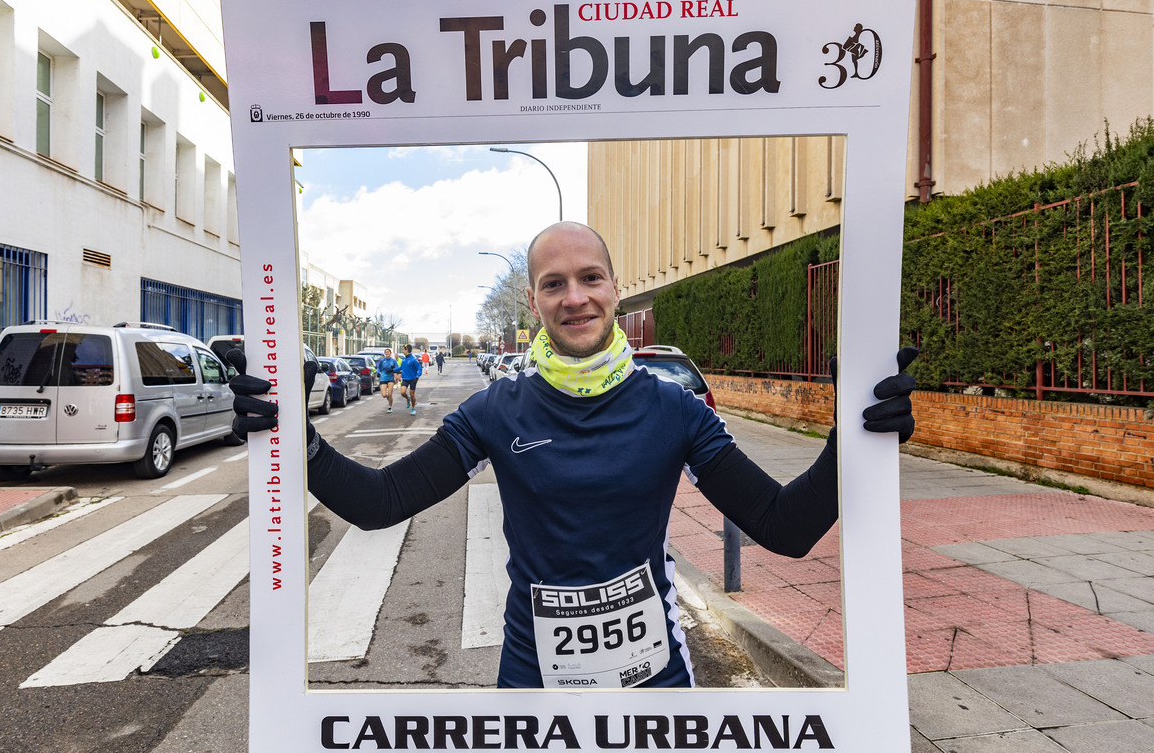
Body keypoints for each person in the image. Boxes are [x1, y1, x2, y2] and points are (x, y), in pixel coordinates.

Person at [229, 222, 917, 689]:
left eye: (590, 278)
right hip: (536, 691)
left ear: (616, 289)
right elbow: (381, 504)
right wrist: (299, 442)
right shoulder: (496, 411)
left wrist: (854, 441)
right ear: (532, 301)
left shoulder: (672, 407)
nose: (575, 296)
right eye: (554, 284)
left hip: (655, 690)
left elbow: (784, 527)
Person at [399, 344, 422, 415]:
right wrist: (392, 369)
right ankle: (407, 398)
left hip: (413, 379)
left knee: (412, 394)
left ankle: (413, 408)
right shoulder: (403, 359)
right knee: (402, 392)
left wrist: (417, 376)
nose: (402, 351)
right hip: (405, 378)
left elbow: (419, 368)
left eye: (403, 349)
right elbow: (401, 368)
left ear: (406, 350)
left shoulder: (413, 359)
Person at [375, 347, 401, 412]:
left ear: (390, 353)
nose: (387, 353)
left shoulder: (393, 361)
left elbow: (397, 368)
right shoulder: (382, 360)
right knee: (384, 395)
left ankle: (389, 407)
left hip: (390, 377)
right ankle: (388, 398)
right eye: (386, 352)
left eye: (388, 352)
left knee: (390, 393)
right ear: (384, 353)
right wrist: (378, 373)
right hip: (383, 377)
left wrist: (398, 375)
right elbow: (379, 368)